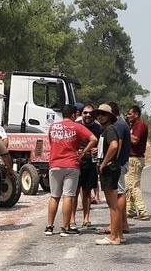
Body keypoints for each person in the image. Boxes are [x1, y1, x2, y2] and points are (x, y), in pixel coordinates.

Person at [43, 104, 95, 236]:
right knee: (68, 196)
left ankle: (49, 227)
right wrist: (83, 152)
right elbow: (93, 139)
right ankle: (65, 228)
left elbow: (51, 142)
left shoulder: (53, 127)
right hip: (71, 164)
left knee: (54, 196)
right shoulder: (77, 127)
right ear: (73, 114)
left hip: (54, 164)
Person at [93, 103, 126, 245]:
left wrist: (104, 163)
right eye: (98, 114)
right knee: (114, 205)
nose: (100, 116)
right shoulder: (106, 130)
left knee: (112, 205)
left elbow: (114, 146)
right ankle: (118, 235)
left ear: (110, 116)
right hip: (111, 169)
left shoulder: (110, 130)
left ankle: (113, 237)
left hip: (109, 170)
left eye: (103, 114)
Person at [108, 101, 132, 235]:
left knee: (118, 194)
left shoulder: (118, 125)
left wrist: (111, 162)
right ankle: (123, 224)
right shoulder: (122, 123)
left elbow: (118, 145)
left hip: (118, 164)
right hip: (122, 163)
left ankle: (116, 227)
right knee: (119, 193)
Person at [125, 104, 151, 221]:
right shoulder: (134, 125)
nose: (128, 116)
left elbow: (135, 140)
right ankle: (130, 210)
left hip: (135, 159)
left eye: (130, 114)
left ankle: (143, 211)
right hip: (131, 158)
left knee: (134, 186)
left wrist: (126, 132)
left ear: (136, 114)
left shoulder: (140, 125)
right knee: (129, 185)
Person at [76, 103, 101, 229]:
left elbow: (103, 144)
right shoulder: (77, 126)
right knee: (74, 192)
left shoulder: (98, 128)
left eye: (90, 113)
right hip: (76, 162)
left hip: (91, 163)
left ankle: (86, 219)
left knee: (86, 192)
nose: (88, 115)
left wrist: (98, 149)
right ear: (81, 114)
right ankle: (72, 220)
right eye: (85, 112)